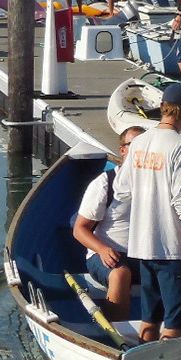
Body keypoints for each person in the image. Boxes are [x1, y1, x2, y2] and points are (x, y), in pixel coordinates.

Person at [112, 83, 181, 342]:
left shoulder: (138, 142)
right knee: (175, 323)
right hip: (171, 250)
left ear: (162, 107)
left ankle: (142, 356)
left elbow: (121, 190)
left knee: (150, 317)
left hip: (142, 247)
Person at [72, 125, 145, 321]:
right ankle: (118, 330)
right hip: (109, 255)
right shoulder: (105, 183)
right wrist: (102, 249)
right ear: (123, 150)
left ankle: (171, 328)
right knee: (120, 274)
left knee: (176, 269)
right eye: (135, 145)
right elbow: (79, 229)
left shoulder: (158, 183)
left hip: (146, 255)